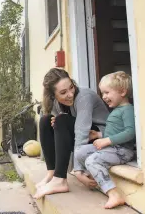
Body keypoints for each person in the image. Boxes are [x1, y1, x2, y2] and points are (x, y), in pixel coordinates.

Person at [33, 68, 109, 199]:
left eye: (71, 87)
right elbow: (60, 132)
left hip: (100, 136)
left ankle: (60, 180)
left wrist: (78, 170)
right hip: (85, 139)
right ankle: (52, 173)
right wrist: (56, 124)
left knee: (61, 120)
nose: (70, 94)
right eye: (63, 92)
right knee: (46, 120)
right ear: (53, 95)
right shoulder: (56, 103)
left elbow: (81, 132)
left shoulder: (84, 96)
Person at [74, 71, 136, 209]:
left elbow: (130, 133)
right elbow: (115, 132)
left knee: (92, 160)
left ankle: (113, 193)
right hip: (113, 148)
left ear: (122, 92)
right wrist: (98, 135)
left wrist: (107, 141)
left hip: (123, 150)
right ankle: (94, 175)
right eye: (102, 93)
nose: (104, 97)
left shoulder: (127, 110)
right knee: (80, 152)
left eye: (107, 92)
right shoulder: (116, 110)